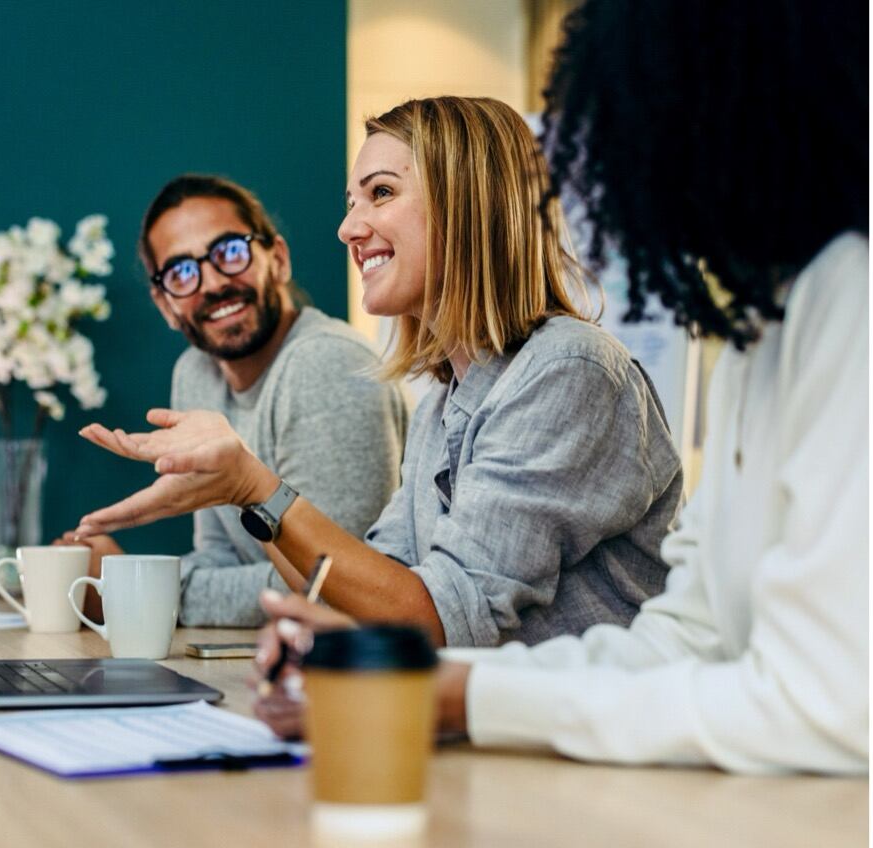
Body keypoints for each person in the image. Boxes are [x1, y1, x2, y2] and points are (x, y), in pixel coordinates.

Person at [255, 0, 868, 775]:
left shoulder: (848, 300)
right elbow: (681, 641)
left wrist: (457, 696)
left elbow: (827, 709)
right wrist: (413, 678)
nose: (614, 171)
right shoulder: (761, 336)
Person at [74, 97, 684, 648]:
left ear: (466, 202)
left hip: (584, 754)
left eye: (382, 193)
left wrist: (251, 486)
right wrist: (242, 496)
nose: (347, 229)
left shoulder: (568, 369)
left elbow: (439, 618)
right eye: (351, 203)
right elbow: (365, 592)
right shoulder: (443, 404)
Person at [63, 175, 407, 627]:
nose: (211, 283)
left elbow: (334, 592)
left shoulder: (327, 363)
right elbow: (218, 559)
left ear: (278, 259)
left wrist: (133, 588)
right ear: (165, 305)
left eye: (229, 251)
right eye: (182, 272)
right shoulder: (195, 373)